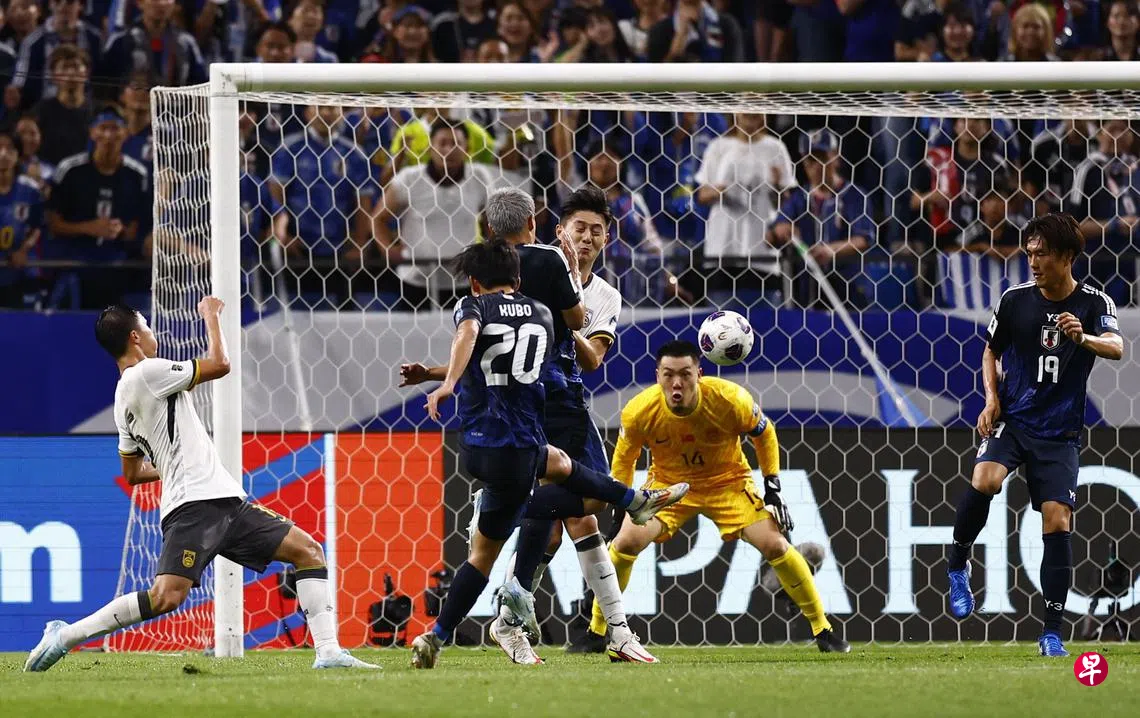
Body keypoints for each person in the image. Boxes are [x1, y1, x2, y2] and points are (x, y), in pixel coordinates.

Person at [25, 298, 378, 672]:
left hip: (224, 501)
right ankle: (65, 636)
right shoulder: (147, 373)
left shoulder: (121, 399)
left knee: (308, 551)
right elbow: (221, 364)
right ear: (135, 337)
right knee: (165, 597)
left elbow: (133, 472)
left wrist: (174, 464)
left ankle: (328, 652)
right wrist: (211, 316)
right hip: (195, 505)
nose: (152, 334)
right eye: (147, 327)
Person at [404, 239, 687, 669]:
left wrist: (443, 380)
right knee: (560, 469)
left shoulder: (472, 305)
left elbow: (471, 338)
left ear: (475, 282)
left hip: (480, 448)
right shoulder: (541, 316)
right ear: (518, 279)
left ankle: (435, 637)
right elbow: (519, 357)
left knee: (485, 554)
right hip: (522, 448)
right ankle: (632, 501)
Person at [586, 340, 851, 655]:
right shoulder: (639, 411)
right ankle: (597, 631)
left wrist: (772, 487)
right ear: (657, 376)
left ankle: (823, 629)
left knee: (775, 544)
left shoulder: (730, 399)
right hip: (669, 487)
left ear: (699, 374)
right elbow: (625, 459)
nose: (676, 383)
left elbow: (764, 432)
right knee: (625, 543)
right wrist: (620, 507)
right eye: (668, 374)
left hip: (728, 483)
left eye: (685, 374)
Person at [946, 213, 1124, 658]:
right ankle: (957, 564)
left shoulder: (1095, 303)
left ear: (1066, 257)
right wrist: (990, 399)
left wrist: (1084, 339)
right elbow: (990, 351)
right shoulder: (1014, 300)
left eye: (1041, 253)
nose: (1032, 261)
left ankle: (1051, 633)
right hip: (1014, 419)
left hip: (1060, 432)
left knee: (1057, 520)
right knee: (985, 479)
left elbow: (1117, 347)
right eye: (1029, 253)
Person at [0, 129, 43, 308]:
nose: (3, 154)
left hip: (18, 273)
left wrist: (24, 249)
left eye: (9, 148)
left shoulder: (30, 190)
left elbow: (37, 226)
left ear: (18, 155)